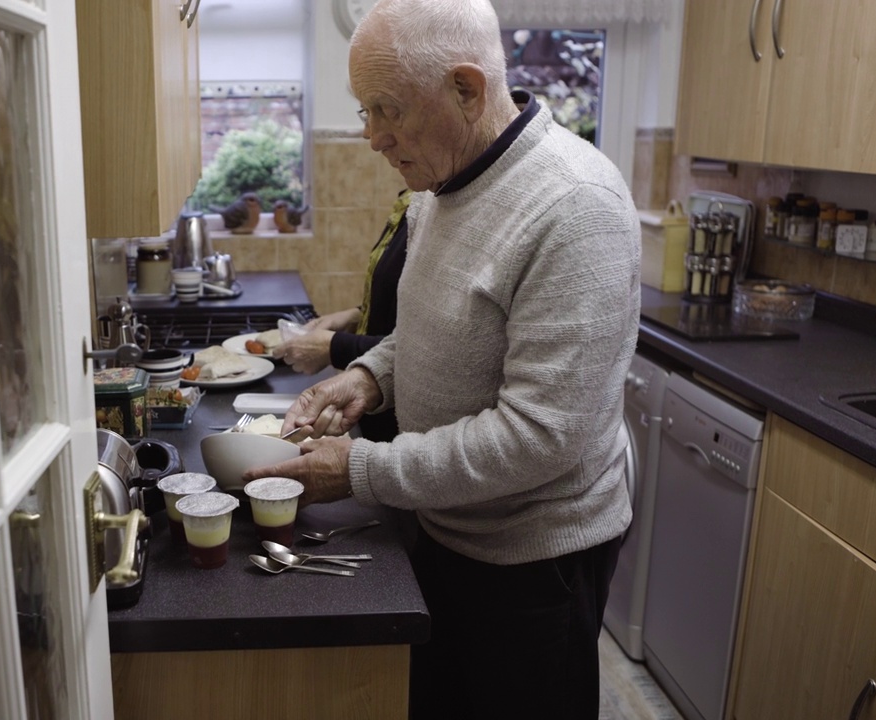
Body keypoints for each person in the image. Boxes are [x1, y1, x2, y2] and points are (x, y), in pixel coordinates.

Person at [243, 0, 641, 717]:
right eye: (362, 111)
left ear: (466, 89)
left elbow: (540, 437)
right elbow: (435, 329)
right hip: (446, 526)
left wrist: (361, 470)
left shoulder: (576, 207)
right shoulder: (442, 185)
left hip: (534, 564)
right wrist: (368, 376)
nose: (371, 137)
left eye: (386, 110)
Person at [273, 188, 410, 443]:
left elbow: (428, 347)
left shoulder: (434, 209)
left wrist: (333, 346)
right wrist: (354, 316)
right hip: (376, 416)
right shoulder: (411, 203)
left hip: (401, 430)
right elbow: (405, 311)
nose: (378, 146)